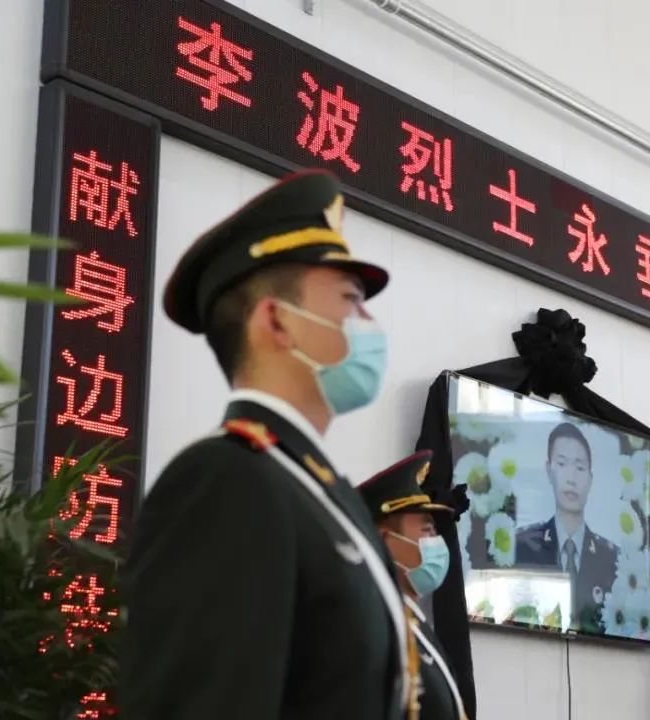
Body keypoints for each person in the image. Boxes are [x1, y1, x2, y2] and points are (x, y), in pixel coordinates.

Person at [121, 170, 418, 719]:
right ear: (277, 321)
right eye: (351, 299)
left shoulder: (320, 495)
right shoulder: (226, 483)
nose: (369, 323)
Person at [358, 450, 468, 720]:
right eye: (426, 530)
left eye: (435, 531)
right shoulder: (373, 627)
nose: (436, 542)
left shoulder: (412, 622)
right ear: (385, 541)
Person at [515, 421, 618, 633]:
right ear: (548, 470)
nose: (571, 479)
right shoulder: (521, 546)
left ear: (590, 479)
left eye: (579, 468)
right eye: (562, 464)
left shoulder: (613, 559)